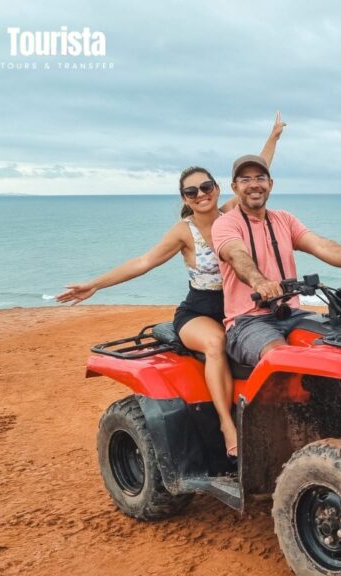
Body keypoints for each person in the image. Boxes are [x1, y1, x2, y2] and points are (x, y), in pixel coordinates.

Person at [55, 113, 287, 458]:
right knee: (215, 344)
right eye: (191, 191)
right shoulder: (184, 231)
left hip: (239, 305)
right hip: (200, 309)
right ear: (186, 198)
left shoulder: (230, 214)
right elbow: (143, 262)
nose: (200, 194)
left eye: (206, 187)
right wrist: (95, 285)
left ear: (219, 189)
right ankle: (227, 425)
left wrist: (274, 137)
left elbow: (256, 174)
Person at [212, 154, 341, 367]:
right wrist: (260, 283)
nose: (254, 185)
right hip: (248, 321)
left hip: (292, 313)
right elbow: (237, 255)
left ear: (270, 184)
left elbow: (322, 246)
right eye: (245, 180)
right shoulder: (225, 224)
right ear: (234, 187)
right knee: (282, 358)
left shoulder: (284, 219)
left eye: (260, 178)